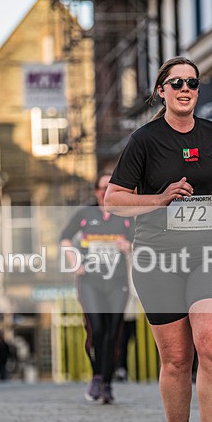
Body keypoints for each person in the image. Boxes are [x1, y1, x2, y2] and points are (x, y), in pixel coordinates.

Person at [105, 57, 212, 422]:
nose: (185, 88)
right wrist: (160, 198)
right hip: (158, 257)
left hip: (208, 252)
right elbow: (112, 199)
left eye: (193, 83)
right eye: (176, 82)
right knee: (177, 359)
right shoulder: (144, 141)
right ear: (161, 90)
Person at [60, 173, 133, 404]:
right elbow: (64, 239)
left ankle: (108, 384)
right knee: (96, 331)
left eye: (112, 188)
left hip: (117, 282)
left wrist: (129, 245)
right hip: (90, 281)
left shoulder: (126, 216)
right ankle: (97, 376)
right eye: (102, 188)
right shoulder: (84, 214)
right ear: (96, 191)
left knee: (113, 335)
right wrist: (75, 263)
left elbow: (142, 240)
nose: (106, 192)